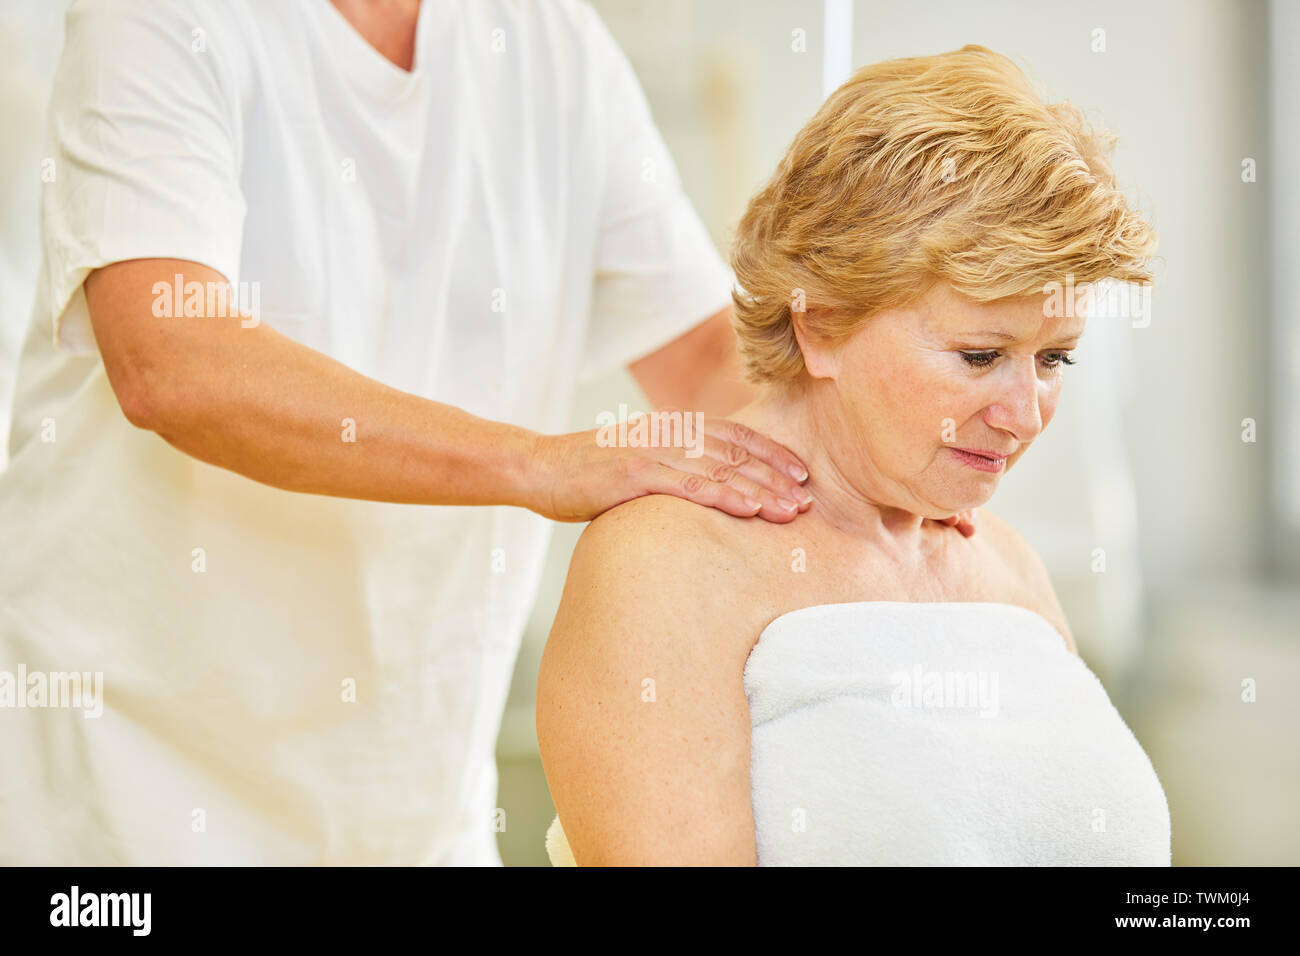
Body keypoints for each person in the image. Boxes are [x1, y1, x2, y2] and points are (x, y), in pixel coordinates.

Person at [0, 0, 838, 866]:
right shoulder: (161, 18)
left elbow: (704, 356)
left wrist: (879, 445)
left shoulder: (550, 44)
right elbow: (172, 360)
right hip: (122, 787)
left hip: (413, 803)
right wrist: (539, 464)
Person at [537, 44, 1172, 866]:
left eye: (1055, 359)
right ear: (820, 324)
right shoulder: (665, 567)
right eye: (980, 356)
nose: (1025, 417)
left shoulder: (1007, 569)